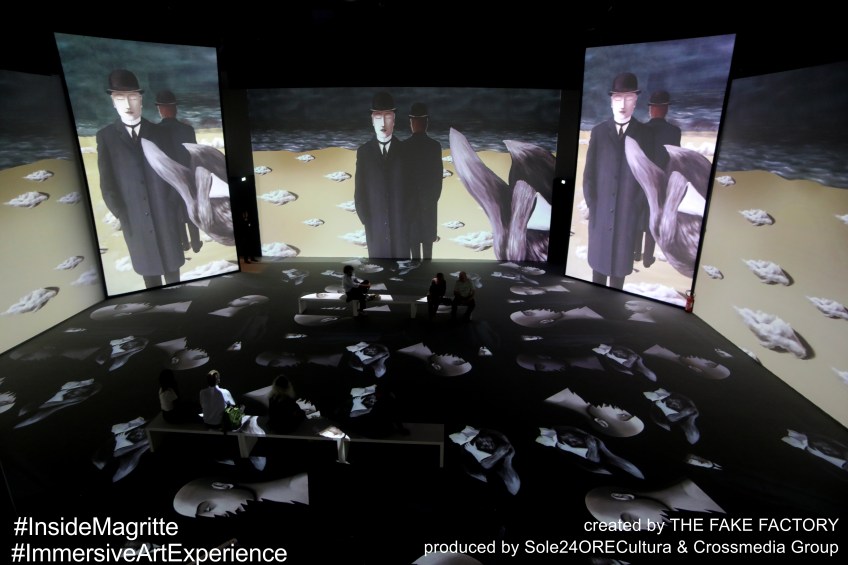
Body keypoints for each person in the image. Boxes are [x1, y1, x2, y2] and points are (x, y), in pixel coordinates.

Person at [96, 69, 187, 289]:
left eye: (133, 97)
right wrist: (123, 214)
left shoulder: (161, 133)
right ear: (113, 102)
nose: (128, 104)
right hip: (135, 222)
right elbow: (107, 183)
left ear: (141, 99)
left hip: (166, 219)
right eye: (120, 98)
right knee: (150, 282)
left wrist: (171, 205)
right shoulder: (106, 137)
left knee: (174, 278)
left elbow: (175, 174)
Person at [582, 71, 654, 289]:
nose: (623, 104)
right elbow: (589, 174)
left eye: (629, 98)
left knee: (618, 279)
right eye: (618, 98)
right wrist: (594, 206)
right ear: (611, 101)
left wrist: (635, 209)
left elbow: (647, 179)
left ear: (636, 101)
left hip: (626, 219)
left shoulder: (645, 135)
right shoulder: (599, 132)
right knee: (597, 274)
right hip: (601, 216)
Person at [354, 91, 409, 258]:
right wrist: (368, 221)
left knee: (402, 270)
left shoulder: (405, 151)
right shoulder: (364, 152)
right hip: (375, 228)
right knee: (377, 270)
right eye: (378, 117)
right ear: (372, 120)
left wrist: (407, 220)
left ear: (394, 119)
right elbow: (360, 191)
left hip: (401, 229)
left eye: (388, 116)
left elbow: (413, 190)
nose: (383, 122)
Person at [634, 90, 682, 268]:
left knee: (639, 214)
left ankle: (635, 253)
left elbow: (635, 157)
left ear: (651, 109)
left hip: (641, 179)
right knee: (654, 218)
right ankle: (648, 257)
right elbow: (675, 159)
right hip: (661, 180)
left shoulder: (640, 129)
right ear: (666, 109)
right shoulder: (674, 132)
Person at [154, 89, 202, 254]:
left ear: (160, 109)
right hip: (187, 175)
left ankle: (184, 243)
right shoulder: (188, 130)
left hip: (168, 178)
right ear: (175, 108)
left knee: (175, 211)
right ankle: (196, 243)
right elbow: (195, 155)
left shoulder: (155, 131)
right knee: (190, 209)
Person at [405, 102, 443, 260]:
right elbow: (438, 180)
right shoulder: (434, 146)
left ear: (411, 123)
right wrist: (431, 200)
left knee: (414, 250)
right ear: (427, 122)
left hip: (410, 207)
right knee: (428, 252)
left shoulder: (404, 147)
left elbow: (402, 181)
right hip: (428, 206)